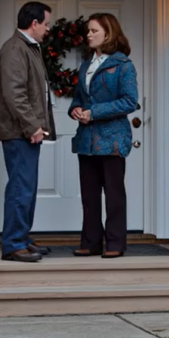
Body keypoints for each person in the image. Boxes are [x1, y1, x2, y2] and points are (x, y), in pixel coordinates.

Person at [68, 13, 138, 259]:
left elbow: (130, 101)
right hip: (86, 140)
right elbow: (79, 97)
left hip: (113, 140)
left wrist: (94, 112)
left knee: (114, 194)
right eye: (88, 31)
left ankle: (116, 243)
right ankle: (91, 242)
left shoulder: (123, 65)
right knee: (89, 195)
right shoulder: (86, 65)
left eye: (94, 31)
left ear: (108, 34)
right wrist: (75, 108)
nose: (88, 34)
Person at [0, 1, 57, 263]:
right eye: (46, 23)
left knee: (26, 187)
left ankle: (21, 238)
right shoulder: (15, 49)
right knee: (21, 187)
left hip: (26, 130)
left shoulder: (28, 48)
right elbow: (15, 94)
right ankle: (13, 244)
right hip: (20, 132)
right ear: (34, 23)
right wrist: (32, 126)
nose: (47, 29)